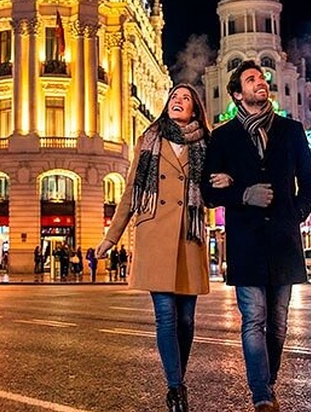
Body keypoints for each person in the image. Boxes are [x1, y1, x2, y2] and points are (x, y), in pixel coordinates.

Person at [95, 82, 231, 412]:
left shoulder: (206, 143)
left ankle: (177, 377)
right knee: (166, 317)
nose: (177, 101)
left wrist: (226, 182)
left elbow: (212, 195)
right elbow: (131, 190)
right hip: (155, 233)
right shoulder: (150, 138)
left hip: (189, 236)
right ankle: (176, 388)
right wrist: (111, 237)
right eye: (174, 97)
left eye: (185, 98)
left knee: (186, 321)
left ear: (195, 109)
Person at [200, 60, 311, 412]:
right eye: (251, 79)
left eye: (262, 78)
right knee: (254, 318)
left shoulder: (291, 130)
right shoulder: (223, 136)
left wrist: (297, 213)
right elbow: (209, 192)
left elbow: (310, 180)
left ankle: (268, 379)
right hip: (247, 242)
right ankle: (261, 395)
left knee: (278, 322)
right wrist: (242, 194)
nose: (261, 82)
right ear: (237, 94)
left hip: (284, 241)